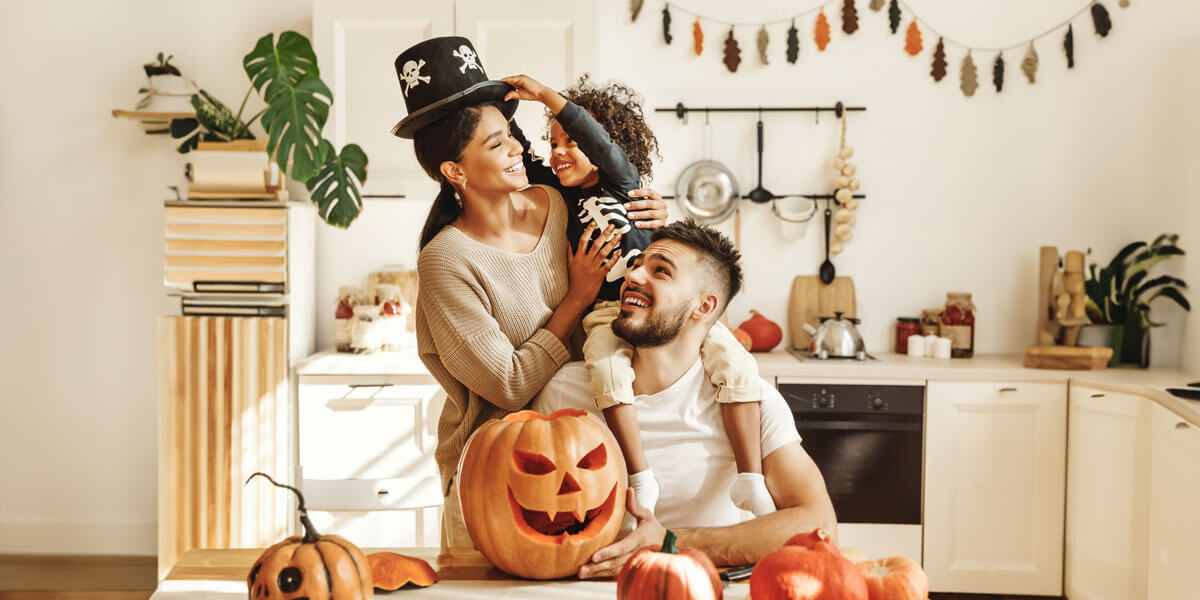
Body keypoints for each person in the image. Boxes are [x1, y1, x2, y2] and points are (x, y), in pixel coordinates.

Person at [389, 37, 668, 549]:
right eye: (496, 144)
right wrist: (575, 301)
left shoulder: (558, 201)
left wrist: (653, 218)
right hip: (500, 486)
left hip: (593, 470)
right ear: (454, 171)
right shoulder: (446, 261)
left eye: (511, 135)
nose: (520, 149)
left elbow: (612, 194)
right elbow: (509, 384)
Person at [505, 73, 775, 518]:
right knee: (608, 374)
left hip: (664, 308)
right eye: (554, 143)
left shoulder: (622, 182)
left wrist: (549, 98)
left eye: (570, 142)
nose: (558, 152)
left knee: (737, 364)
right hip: (607, 315)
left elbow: (596, 139)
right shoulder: (556, 195)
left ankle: (750, 479)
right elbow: (524, 156)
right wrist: (503, 110)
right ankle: (640, 476)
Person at [531, 220, 838, 576]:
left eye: (660, 271)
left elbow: (819, 526)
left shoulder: (754, 404)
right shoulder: (564, 391)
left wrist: (669, 542)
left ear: (704, 307)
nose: (634, 276)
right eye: (637, 265)